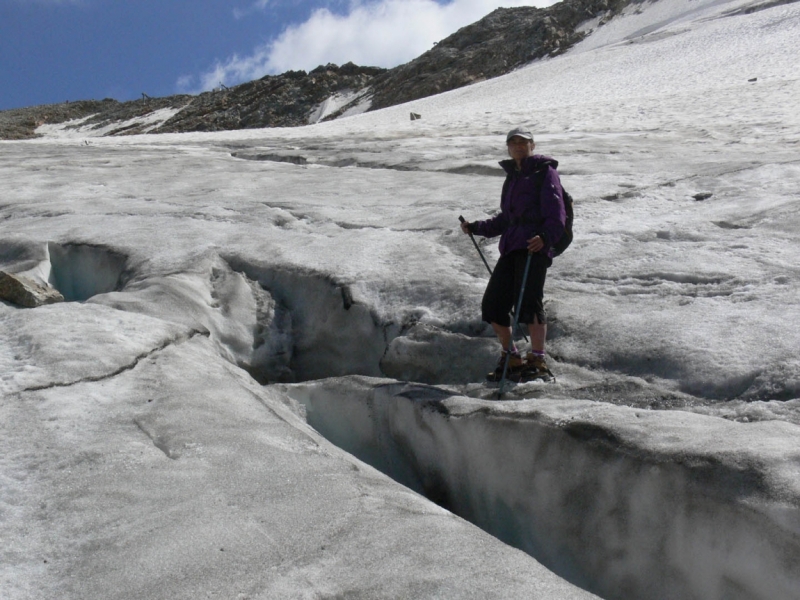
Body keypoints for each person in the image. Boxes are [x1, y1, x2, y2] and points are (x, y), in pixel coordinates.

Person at [460, 127, 566, 381]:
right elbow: (507, 219)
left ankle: (538, 359)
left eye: (523, 142)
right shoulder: (513, 177)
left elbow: (556, 212)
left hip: (533, 247)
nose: (519, 146)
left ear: (532, 145)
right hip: (511, 246)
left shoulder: (545, 172)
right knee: (493, 305)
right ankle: (512, 356)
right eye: (514, 142)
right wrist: (477, 227)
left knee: (528, 304)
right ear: (508, 147)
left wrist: (545, 238)